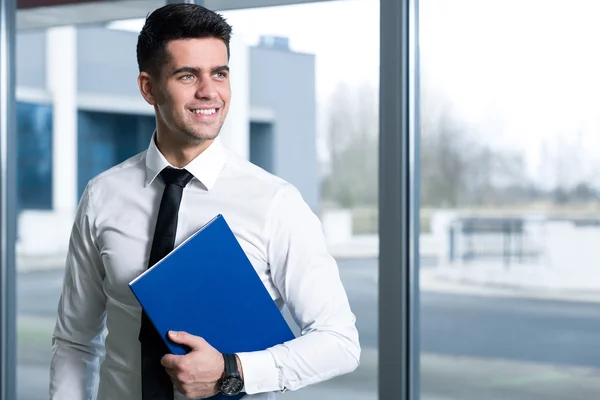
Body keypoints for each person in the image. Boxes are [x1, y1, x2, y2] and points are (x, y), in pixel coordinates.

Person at [49, 3, 360, 400]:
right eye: (187, 75)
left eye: (220, 73)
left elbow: (339, 342)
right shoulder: (102, 195)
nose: (209, 92)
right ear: (148, 87)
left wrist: (233, 371)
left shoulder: (274, 203)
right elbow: (75, 341)